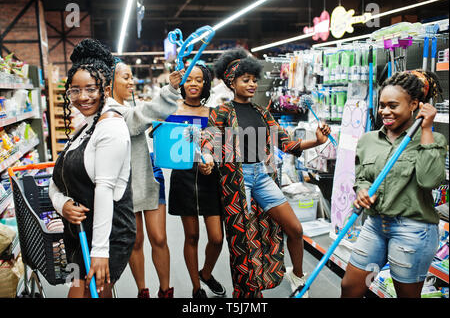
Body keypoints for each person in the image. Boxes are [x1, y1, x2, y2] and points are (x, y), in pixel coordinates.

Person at [199, 49, 331, 298]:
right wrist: (206, 157)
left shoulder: (262, 113)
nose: (251, 84)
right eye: (245, 79)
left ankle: (298, 276)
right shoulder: (222, 112)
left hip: (262, 176)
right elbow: (210, 138)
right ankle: (247, 293)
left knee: (294, 229)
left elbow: (287, 144)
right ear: (231, 82)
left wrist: (317, 140)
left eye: (253, 79)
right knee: (243, 244)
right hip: (237, 181)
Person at [340, 70, 447, 298]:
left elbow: (429, 180)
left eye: (393, 105)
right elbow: (362, 177)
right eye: (382, 105)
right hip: (375, 225)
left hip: (413, 229)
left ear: (414, 105)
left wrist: (426, 128)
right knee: (351, 287)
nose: (385, 111)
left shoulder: (431, 140)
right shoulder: (368, 140)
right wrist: (362, 191)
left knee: (405, 296)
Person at [49, 39, 135, 298]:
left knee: (86, 292)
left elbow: (105, 191)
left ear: (105, 88)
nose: (82, 97)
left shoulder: (111, 128)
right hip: (79, 233)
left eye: (90, 89)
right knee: (95, 292)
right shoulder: (85, 127)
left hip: (108, 235)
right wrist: (61, 203)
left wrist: (100, 252)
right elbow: (57, 180)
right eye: (75, 90)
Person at [106, 59, 181, 298]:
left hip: (149, 173)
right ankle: (143, 291)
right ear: (110, 82)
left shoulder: (130, 104)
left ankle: (165, 290)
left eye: (131, 77)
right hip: (125, 183)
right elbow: (139, 117)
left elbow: (142, 120)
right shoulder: (110, 111)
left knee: (159, 237)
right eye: (125, 77)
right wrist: (169, 90)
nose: (131, 81)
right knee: (135, 241)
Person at [165, 64, 226, 298]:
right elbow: (164, 144)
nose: (193, 84)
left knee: (217, 238)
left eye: (199, 80)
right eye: (189, 79)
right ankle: (196, 288)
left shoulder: (213, 113)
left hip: (210, 179)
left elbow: (219, 149)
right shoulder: (172, 110)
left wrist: (211, 161)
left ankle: (207, 273)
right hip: (184, 179)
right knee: (191, 236)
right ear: (182, 83)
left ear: (205, 85)